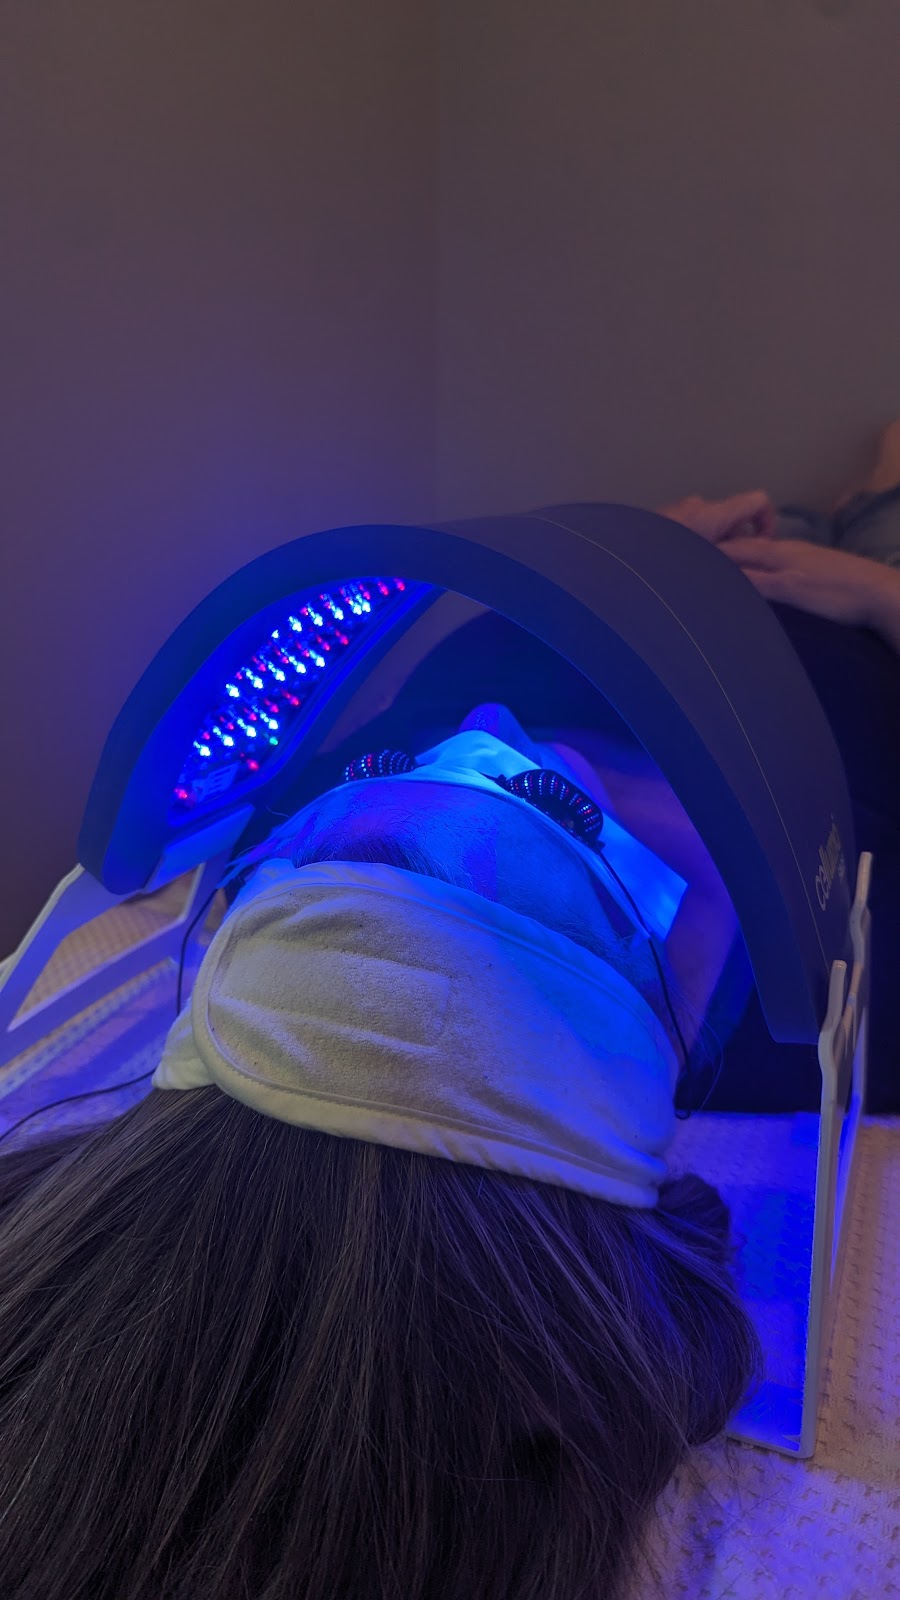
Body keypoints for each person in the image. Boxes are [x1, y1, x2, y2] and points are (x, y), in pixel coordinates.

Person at [0, 423, 897, 1600]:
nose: (486, 732)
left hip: (606, 599)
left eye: (384, 791)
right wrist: (875, 592)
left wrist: (631, 567)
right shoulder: (831, 985)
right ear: (677, 1016)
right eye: (564, 820)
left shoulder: (437, 729)